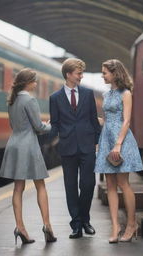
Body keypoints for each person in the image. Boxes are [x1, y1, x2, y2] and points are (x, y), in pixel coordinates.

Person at [0, 68, 57, 244]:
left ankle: (20, 228)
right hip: (28, 146)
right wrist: (52, 126)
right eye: (34, 80)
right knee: (40, 186)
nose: (36, 83)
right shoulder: (29, 99)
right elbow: (38, 127)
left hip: (14, 144)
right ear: (27, 82)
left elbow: (14, 124)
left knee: (18, 188)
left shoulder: (12, 100)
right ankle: (47, 226)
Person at [49, 58, 101, 239]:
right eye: (79, 73)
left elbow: (94, 120)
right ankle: (76, 224)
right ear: (69, 74)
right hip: (67, 147)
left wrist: (100, 141)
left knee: (88, 184)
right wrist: (41, 136)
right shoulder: (54, 98)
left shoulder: (88, 93)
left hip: (87, 146)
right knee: (70, 187)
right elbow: (54, 124)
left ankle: (86, 220)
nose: (81, 76)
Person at [95, 59, 143, 243]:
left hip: (121, 141)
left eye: (105, 72)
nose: (102, 75)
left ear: (115, 73)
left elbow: (126, 121)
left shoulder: (126, 93)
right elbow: (108, 121)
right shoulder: (106, 94)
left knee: (123, 183)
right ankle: (115, 226)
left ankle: (132, 224)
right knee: (110, 185)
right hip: (107, 139)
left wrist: (118, 144)